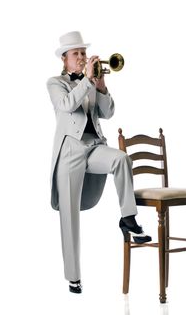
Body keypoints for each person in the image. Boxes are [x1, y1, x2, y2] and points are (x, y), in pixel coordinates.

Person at [47, 31, 151, 294]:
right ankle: (74, 277)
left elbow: (108, 113)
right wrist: (87, 80)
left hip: (94, 147)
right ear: (65, 59)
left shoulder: (91, 82)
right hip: (70, 150)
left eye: (83, 53)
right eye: (76, 54)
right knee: (69, 216)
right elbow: (68, 106)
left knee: (121, 159)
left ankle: (128, 218)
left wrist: (101, 86)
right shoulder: (56, 83)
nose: (82, 57)